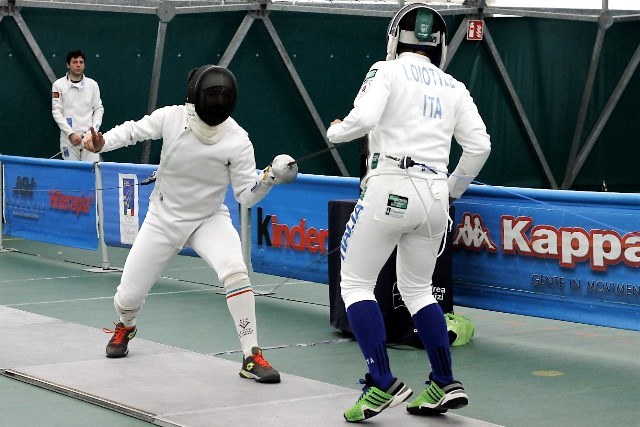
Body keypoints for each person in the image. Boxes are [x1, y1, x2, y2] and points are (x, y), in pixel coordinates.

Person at [326, 3, 491, 422]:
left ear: (396, 39)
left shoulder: (386, 71)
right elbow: (479, 146)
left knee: (356, 284)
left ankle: (381, 382)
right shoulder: (454, 86)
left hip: (389, 188)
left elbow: (363, 118)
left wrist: (336, 131)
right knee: (418, 291)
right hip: (434, 197)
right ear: (439, 45)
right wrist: (450, 190)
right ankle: (444, 382)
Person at [83, 65, 295, 383]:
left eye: (223, 95)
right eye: (213, 94)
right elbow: (132, 131)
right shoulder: (171, 117)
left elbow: (245, 196)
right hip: (163, 219)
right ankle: (126, 326)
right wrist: (102, 143)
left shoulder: (238, 139)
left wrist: (267, 179)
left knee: (235, 271)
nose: (218, 101)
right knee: (127, 299)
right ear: (196, 96)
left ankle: (251, 355)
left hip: (208, 219)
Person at [51, 50, 104, 162]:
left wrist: (93, 132)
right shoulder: (58, 85)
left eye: (81, 62)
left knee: (92, 170)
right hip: (68, 140)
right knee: (71, 171)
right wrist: (70, 133)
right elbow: (56, 111)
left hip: (89, 139)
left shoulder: (92, 85)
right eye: (75, 62)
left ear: (84, 65)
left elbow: (98, 109)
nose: (78, 65)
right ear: (68, 65)